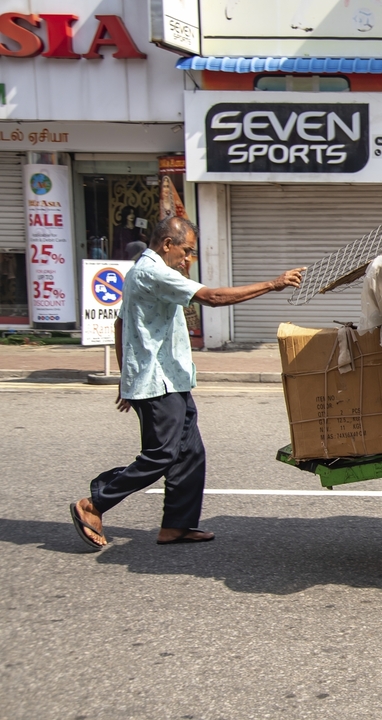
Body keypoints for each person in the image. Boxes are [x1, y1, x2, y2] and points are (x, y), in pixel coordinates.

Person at [69, 217, 305, 548]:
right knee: (160, 455)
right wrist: (273, 284)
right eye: (187, 250)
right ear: (168, 244)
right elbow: (213, 298)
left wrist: (125, 377)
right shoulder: (154, 272)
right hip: (155, 384)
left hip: (170, 380)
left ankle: (177, 526)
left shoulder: (142, 271)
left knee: (190, 453)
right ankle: (94, 504)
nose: (188, 259)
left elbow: (121, 323)